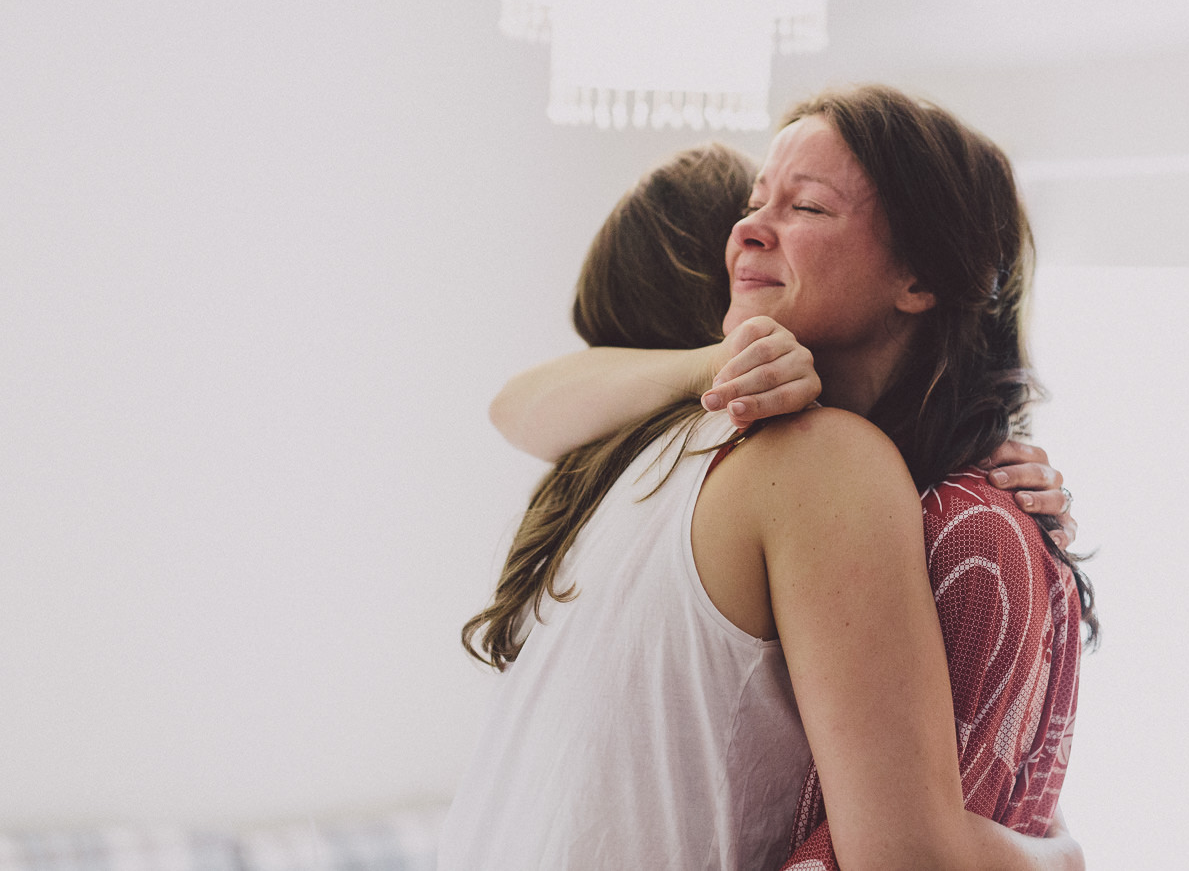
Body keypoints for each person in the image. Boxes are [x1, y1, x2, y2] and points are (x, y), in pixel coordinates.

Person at [446, 87, 1092, 870]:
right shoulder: (815, 460)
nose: (748, 229)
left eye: (807, 206)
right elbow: (908, 855)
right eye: (754, 203)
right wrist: (1063, 855)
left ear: (918, 277)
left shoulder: (654, 453)